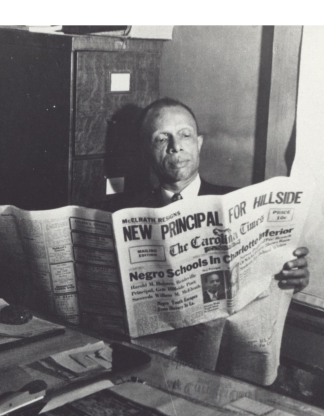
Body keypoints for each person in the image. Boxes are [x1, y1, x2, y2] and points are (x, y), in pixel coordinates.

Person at [102, 97, 310, 383]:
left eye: (185, 135)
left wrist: (293, 274)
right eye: (162, 138)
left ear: (199, 143)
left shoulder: (239, 205)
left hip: (225, 366)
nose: (176, 146)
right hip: (148, 365)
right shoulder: (122, 213)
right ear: (146, 150)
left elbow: (275, 274)